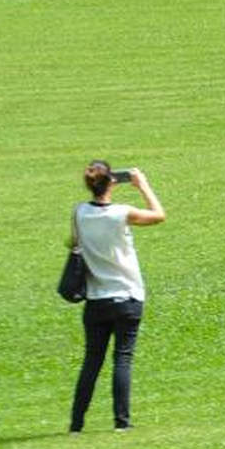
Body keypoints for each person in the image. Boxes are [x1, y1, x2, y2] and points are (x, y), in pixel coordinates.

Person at [68, 160, 165, 433]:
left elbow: (74, 242)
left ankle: (76, 424)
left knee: (92, 361)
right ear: (112, 181)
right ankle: (121, 422)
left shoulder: (79, 213)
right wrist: (142, 185)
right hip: (127, 294)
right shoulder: (121, 213)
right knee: (122, 358)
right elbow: (159, 215)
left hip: (96, 298)